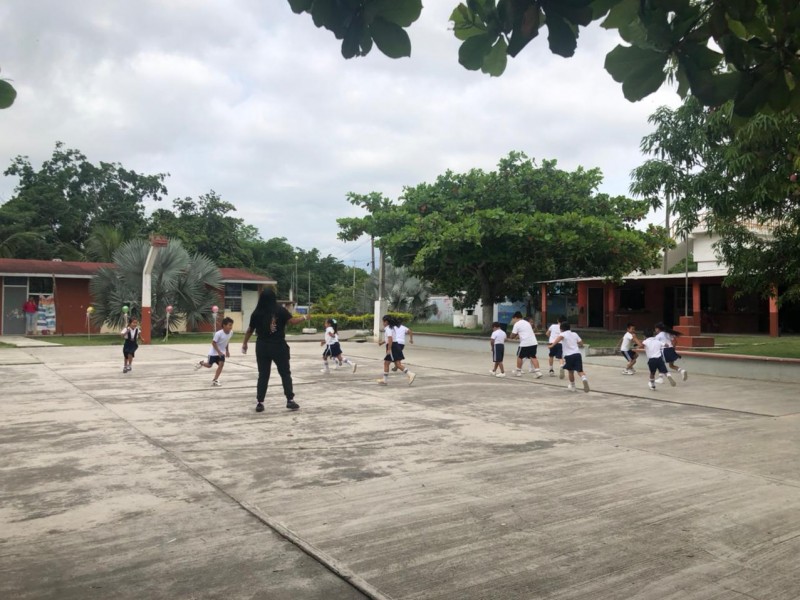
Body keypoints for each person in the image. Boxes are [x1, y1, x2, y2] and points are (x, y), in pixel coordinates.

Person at [242, 288, 308, 413]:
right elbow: (293, 321)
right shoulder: (280, 310)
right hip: (278, 346)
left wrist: (245, 343)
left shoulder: (256, 313)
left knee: (263, 375)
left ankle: (260, 403)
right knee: (285, 373)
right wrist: (304, 317)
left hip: (262, 346)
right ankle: (290, 400)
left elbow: (250, 330)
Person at [549, 321, 590, 392]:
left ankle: (572, 386)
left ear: (561, 329)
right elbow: (581, 343)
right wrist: (581, 345)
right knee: (580, 370)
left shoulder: (563, 334)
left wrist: (552, 345)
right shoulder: (574, 334)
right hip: (577, 354)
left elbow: (559, 338)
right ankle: (584, 379)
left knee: (571, 371)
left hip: (569, 356)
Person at [195, 317, 235, 386]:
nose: (231, 327)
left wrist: (227, 351)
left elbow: (227, 341)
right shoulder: (218, 334)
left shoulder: (231, 333)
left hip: (221, 353)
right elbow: (213, 343)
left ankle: (215, 380)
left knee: (221, 364)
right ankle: (201, 363)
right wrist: (218, 352)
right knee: (209, 365)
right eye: (229, 325)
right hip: (213, 353)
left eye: (232, 325)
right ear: (224, 325)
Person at [377, 315, 415, 386]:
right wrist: (382, 343)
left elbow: (390, 339)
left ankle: (385, 380)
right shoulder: (392, 327)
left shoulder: (388, 328)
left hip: (393, 346)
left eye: (383, 321)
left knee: (386, 363)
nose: (383, 323)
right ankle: (410, 374)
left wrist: (389, 349)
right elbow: (391, 338)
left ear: (386, 322)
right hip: (396, 345)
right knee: (397, 364)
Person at [509, 311, 543, 378]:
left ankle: (518, 372)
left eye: (513, 319)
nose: (513, 320)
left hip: (525, 343)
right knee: (533, 356)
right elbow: (524, 332)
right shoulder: (527, 323)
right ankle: (538, 372)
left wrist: (511, 337)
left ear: (515, 317)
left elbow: (512, 335)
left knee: (519, 356)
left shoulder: (517, 324)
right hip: (533, 342)